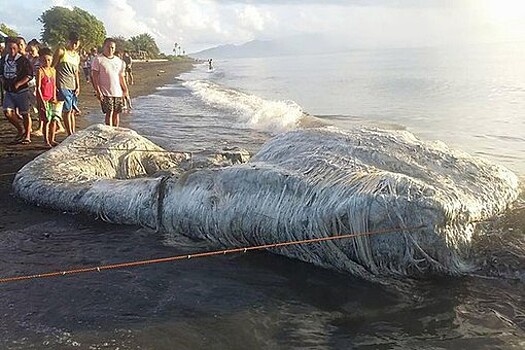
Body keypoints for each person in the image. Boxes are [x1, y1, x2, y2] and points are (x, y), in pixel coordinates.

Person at [0, 37, 33, 144]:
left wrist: (19, 83)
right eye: (10, 48)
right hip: (9, 91)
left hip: (22, 91)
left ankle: (27, 135)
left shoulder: (23, 60)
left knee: (25, 113)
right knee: (7, 112)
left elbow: (29, 75)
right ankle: (20, 129)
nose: (12, 51)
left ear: (18, 48)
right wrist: (3, 81)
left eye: (14, 48)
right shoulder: (3, 60)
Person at [91, 38, 129, 127]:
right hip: (105, 92)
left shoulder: (119, 62)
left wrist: (125, 90)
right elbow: (94, 77)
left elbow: (121, 77)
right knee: (109, 112)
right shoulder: (98, 59)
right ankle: (109, 131)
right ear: (104, 47)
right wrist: (98, 91)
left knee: (117, 112)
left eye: (112, 47)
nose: (110, 49)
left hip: (117, 92)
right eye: (108, 47)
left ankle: (115, 130)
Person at [53, 31, 81, 135]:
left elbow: (76, 73)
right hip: (62, 84)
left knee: (72, 111)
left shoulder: (77, 56)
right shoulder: (61, 52)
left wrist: (78, 86)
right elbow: (53, 67)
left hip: (73, 86)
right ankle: (70, 134)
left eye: (76, 43)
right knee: (67, 110)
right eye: (73, 42)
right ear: (68, 41)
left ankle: (73, 132)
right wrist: (54, 84)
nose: (74, 45)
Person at [36, 47, 61, 147]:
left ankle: (52, 139)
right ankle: (46, 141)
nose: (47, 62)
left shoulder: (53, 70)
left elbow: (54, 85)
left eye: (49, 60)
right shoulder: (40, 71)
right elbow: (38, 88)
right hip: (44, 99)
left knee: (54, 119)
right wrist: (41, 101)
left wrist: (54, 96)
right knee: (46, 120)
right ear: (40, 60)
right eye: (44, 60)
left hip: (51, 99)